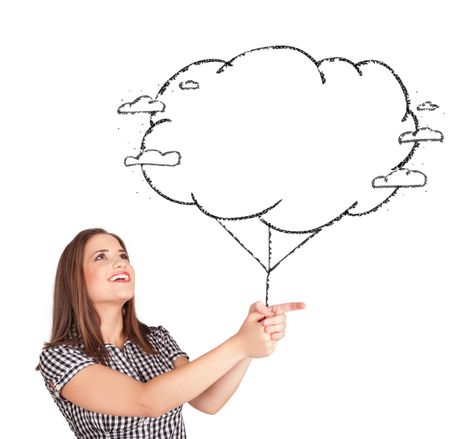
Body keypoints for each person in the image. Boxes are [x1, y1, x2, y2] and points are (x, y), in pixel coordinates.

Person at [38, 228, 305, 438]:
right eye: (101, 257)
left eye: (123, 256)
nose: (120, 263)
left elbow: (207, 400)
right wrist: (239, 345)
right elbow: (147, 401)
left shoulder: (157, 338)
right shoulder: (60, 357)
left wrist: (250, 343)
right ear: (75, 279)